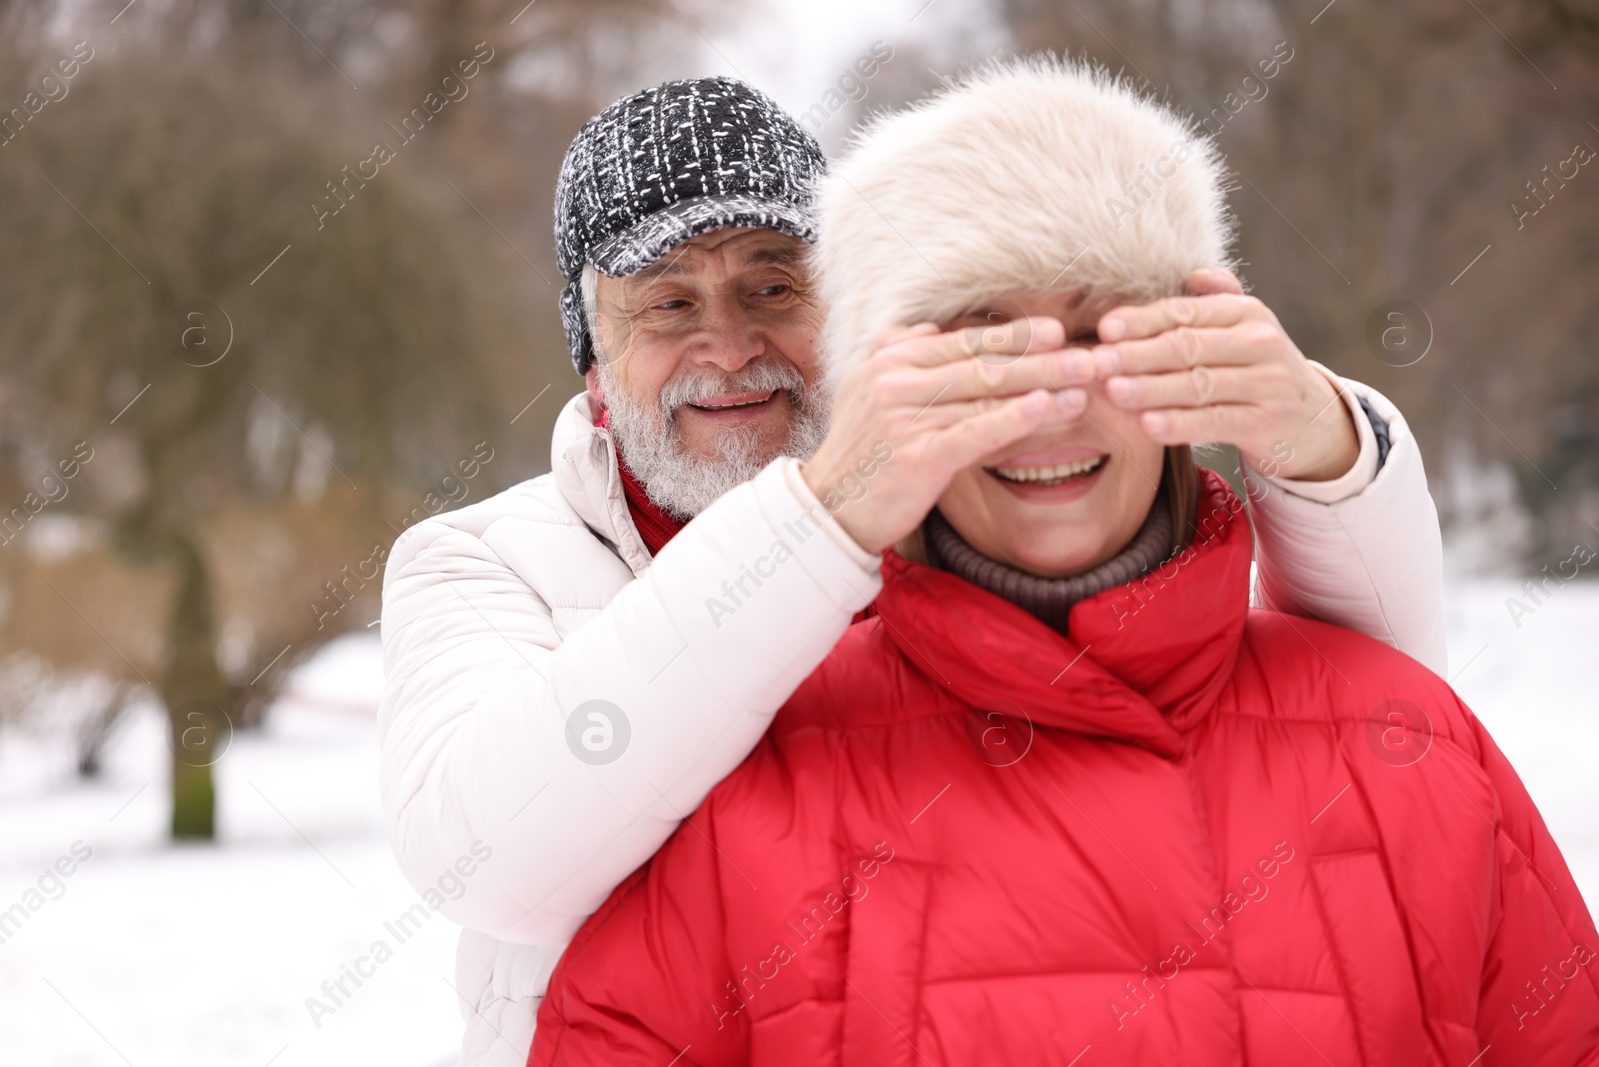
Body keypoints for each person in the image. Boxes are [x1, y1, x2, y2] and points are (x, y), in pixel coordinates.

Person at [527, 59, 1599, 1066]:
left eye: (1100, 337)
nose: (1053, 404)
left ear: (1198, 358)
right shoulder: (732, 789)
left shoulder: (1418, 748)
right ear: (884, 399)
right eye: (983, 350)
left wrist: (1319, 431)